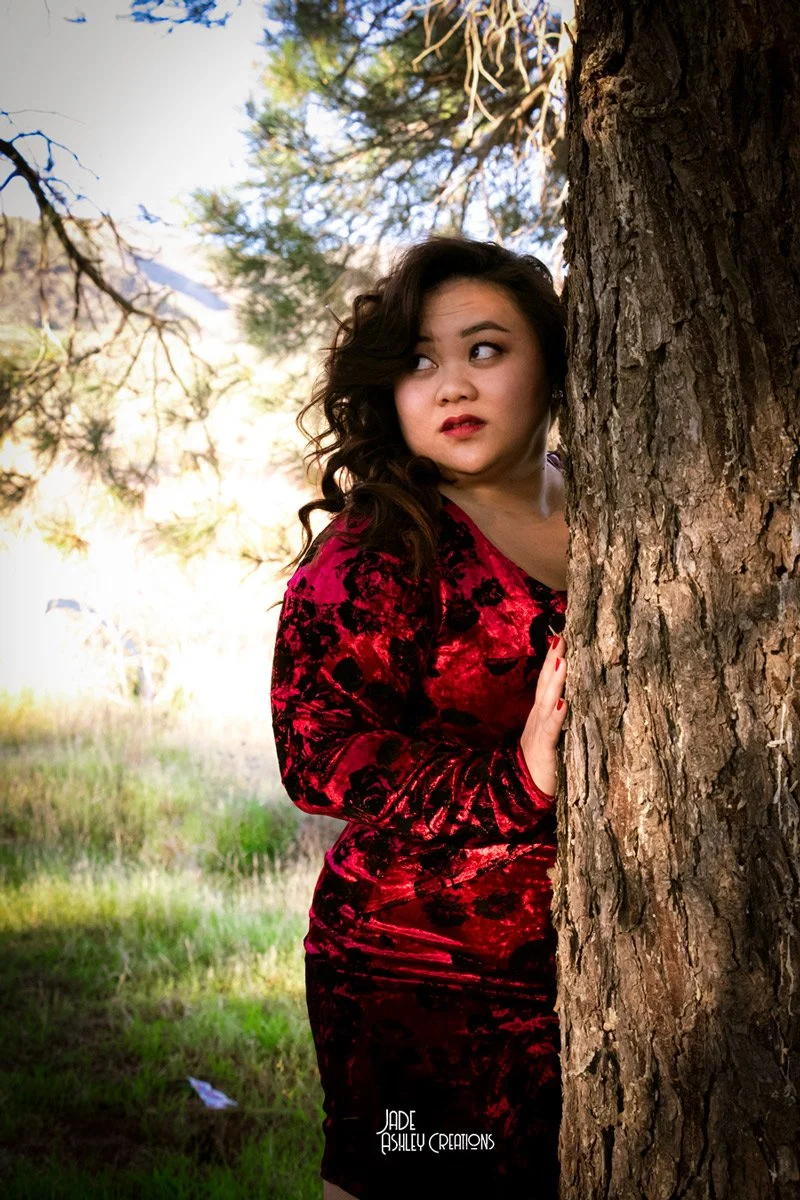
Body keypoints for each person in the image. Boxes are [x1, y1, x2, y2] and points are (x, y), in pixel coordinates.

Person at [270, 236, 569, 1200]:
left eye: (486, 349)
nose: (451, 385)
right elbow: (316, 753)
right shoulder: (380, 550)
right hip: (420, 971)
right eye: (419, 362)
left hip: (588, 964)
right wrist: (511, 777)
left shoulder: (625, 501)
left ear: (553, 362)